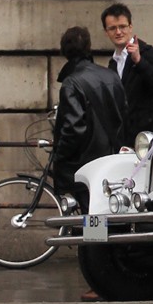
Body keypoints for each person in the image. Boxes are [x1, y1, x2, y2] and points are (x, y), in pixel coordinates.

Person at [53, 26, 128, 210]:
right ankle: (100, 237)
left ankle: (93, 238)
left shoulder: (71, 82)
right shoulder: (110, 75)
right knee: (102, 206)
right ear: (88, 47)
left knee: (88, 207)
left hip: (83, 159)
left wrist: (60, 155)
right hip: (111, 155)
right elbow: (124, 113)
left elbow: (73, 127)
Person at [100, 2, 153, 144]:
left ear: (130, 27)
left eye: (122, 27)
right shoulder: (113, 63)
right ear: (106, 32)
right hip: (125, 139)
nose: (118, 32)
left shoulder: (149, 53)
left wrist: (139, 61)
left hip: (149, 138)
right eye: (112, 28)